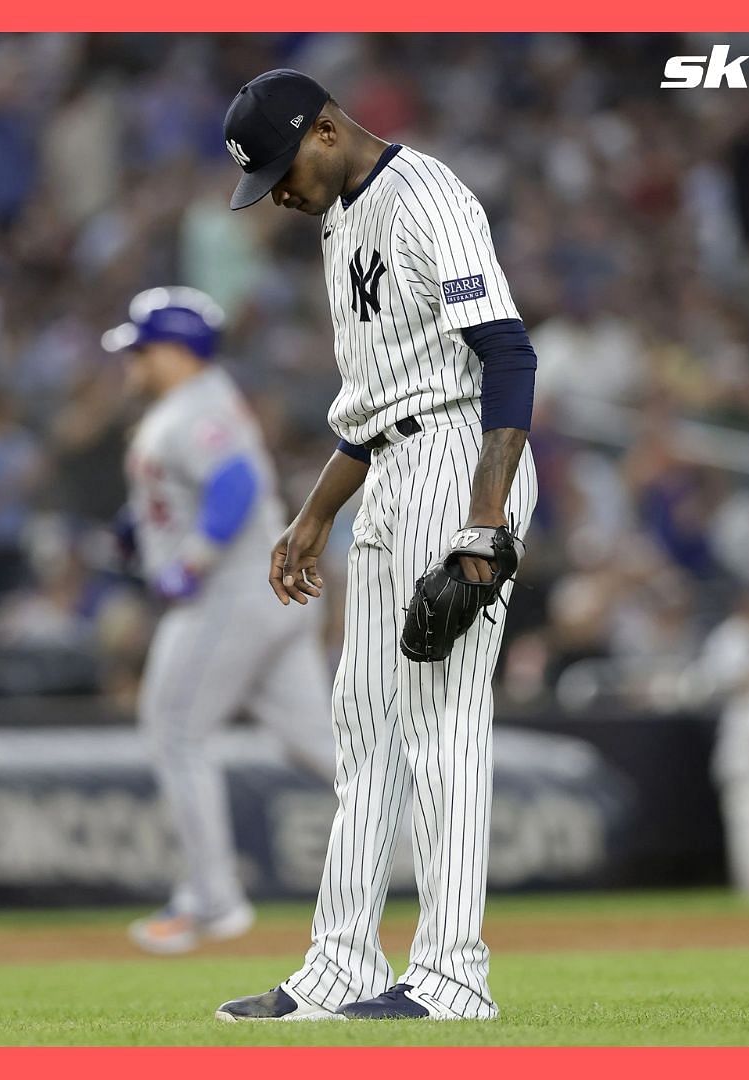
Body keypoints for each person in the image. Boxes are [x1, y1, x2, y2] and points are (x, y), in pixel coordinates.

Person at [212, 70, 539, 1022]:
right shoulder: (337, 219)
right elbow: (373, 403)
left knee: (442, 719)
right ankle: (340, 966)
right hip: (392, 471)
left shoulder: (428, 196)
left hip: (461, 451)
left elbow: (508, 357)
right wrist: (315, 515)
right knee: (363, 727)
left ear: (323, 130)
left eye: (280, 168)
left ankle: (450, 977)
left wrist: (483, 528)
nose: (276, 192)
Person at [101, 287, 333, 956]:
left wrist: (192, 561)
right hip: (270, 596)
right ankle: (436, 824)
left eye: (143, 349)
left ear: (176, 351)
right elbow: (191, 485)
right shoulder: (189, 406)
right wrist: (140, 528)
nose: (134, 361)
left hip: (232, 592)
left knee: (174, 730)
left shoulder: (197, 407)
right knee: (314, 744)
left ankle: (211, 901)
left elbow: (235, 484)